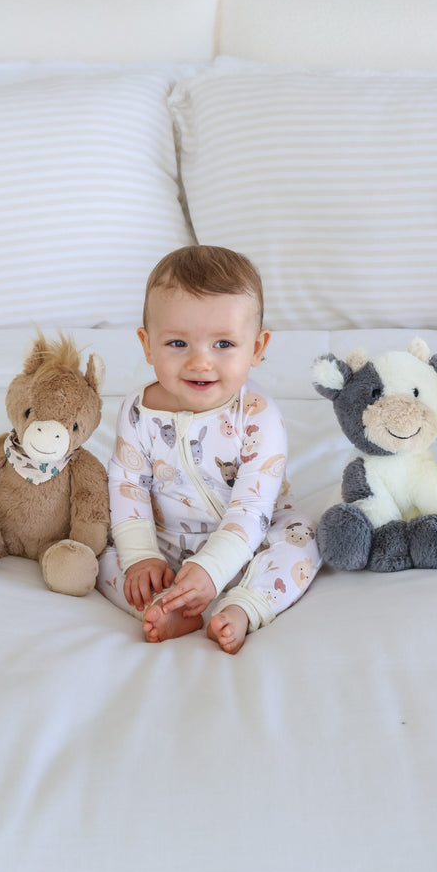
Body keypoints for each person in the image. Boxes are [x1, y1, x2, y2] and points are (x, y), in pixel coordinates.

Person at [97, 245, 321, 653]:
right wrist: (142, 557)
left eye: (223, 344)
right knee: (107, 561)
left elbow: (252, 508)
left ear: (256, 347)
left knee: (303, 537)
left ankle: (242, 607)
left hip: (250, 539)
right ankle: (167, 607)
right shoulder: (137, 411)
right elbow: (126, 482)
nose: (201, 362)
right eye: (178, 343)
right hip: (164, 543)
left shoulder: (258, 416)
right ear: (147, 345)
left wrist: (214, 568)